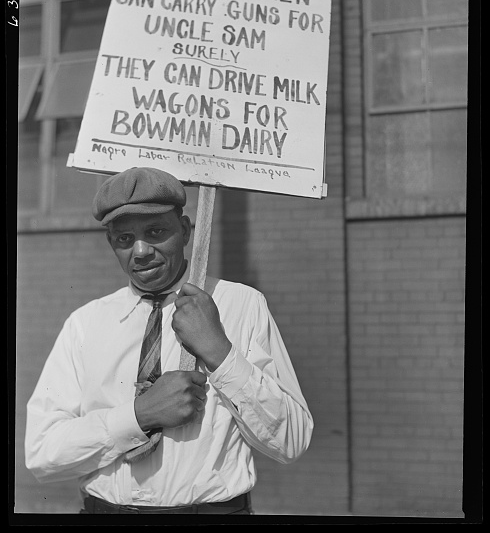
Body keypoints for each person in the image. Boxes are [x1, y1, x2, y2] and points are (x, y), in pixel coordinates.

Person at [25, 166, 314, 515]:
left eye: (156, 231)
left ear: (186, 230)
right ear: (111, 243)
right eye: (124, 239)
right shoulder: (85, 324)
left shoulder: (240, 305)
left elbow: (291, 441)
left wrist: (219, 353)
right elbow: (42, 454)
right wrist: (138, 415)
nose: (141, 251)